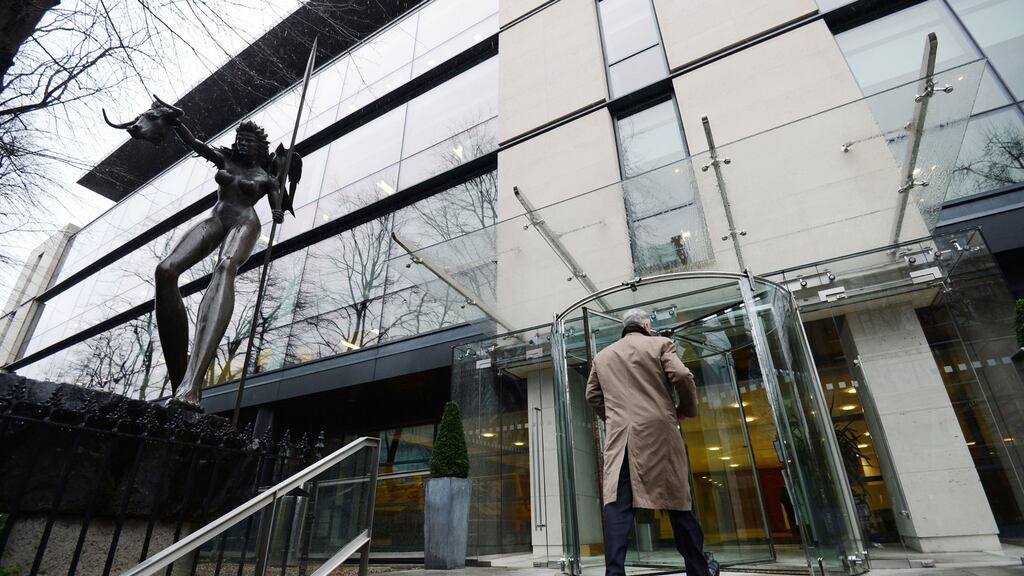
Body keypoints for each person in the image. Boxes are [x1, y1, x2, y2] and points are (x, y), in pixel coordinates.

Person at [154, 118, 286, 409]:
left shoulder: (266, 176)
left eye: (248, 140)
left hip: (245, 222)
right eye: (240, 139)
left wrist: (277, 212)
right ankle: (180, 381)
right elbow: (196, 144)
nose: (242, 144)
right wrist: (176, 124)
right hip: (217, 218)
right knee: (165, 271)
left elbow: (277, 203)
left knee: (226, 268)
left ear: (259, 146)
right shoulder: (225, 159)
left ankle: (193, 387)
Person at [585, 308, 718, 576]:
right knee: (678, 504)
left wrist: (614, 420)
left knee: (617, 507)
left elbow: (592, 396)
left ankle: (614, 573)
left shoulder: (602, 356)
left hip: (620, 439)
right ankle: (698, 570)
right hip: (659, 434)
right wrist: (685, 409)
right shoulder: (660, 344)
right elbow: (681, 376)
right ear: (646, 325)